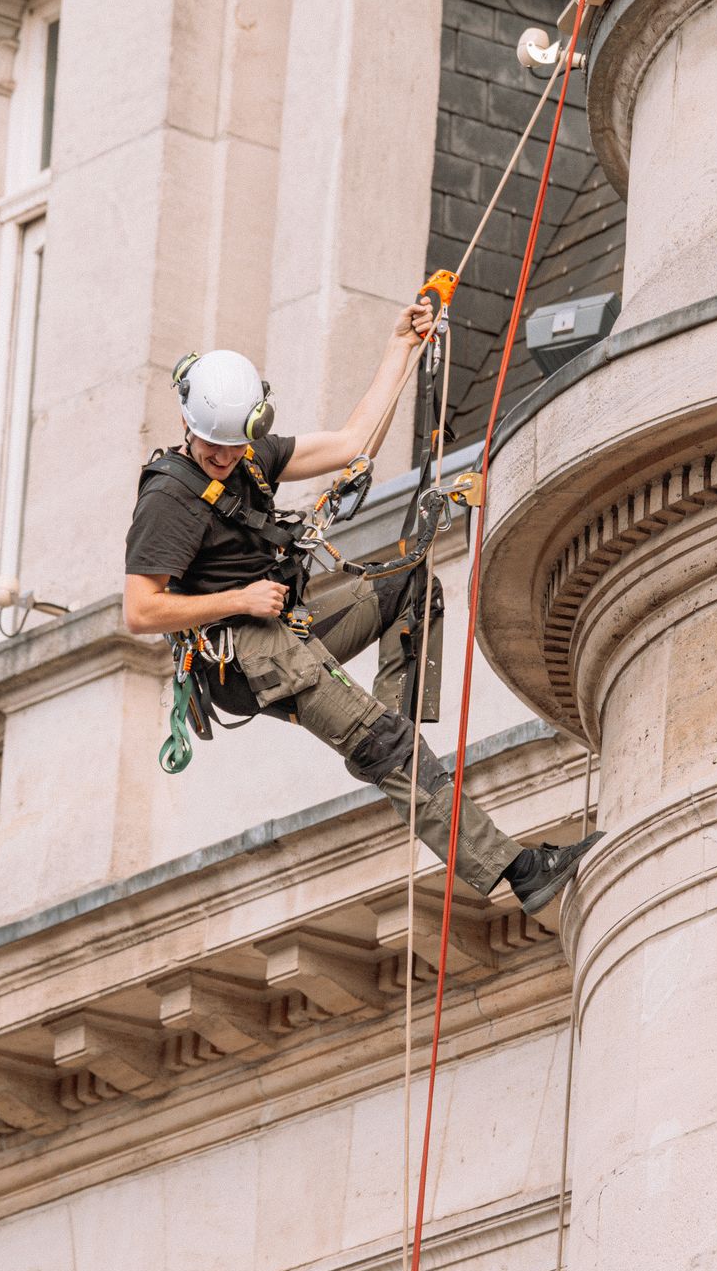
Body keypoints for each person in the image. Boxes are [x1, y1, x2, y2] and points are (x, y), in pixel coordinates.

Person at [123, 300, 600, 913]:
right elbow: (140, 610)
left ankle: (384, 740)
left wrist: (401, 347)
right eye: (212, 446)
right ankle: (520, 871)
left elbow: (354, 444)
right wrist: (239, 598)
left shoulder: (253, 457)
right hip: (244, 657)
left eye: (234, 446)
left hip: (281, 625)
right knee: (388, 746)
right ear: (188, 426)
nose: (223, 457)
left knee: (410, 586)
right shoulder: (169, 499)